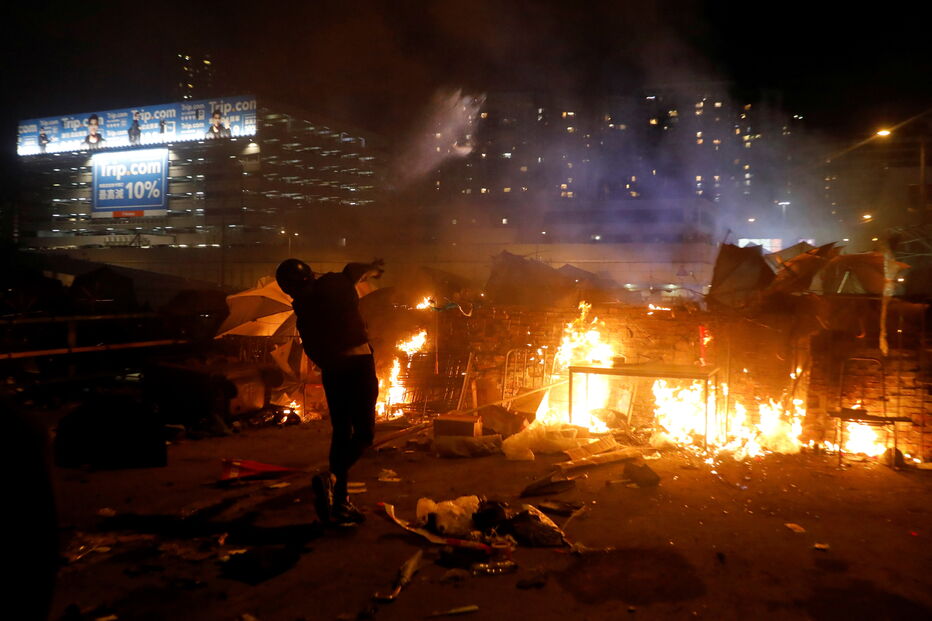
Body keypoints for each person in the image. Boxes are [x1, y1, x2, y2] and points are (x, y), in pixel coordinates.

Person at [276, 257, 384, 526]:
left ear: (288, 289)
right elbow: (353, 270)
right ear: (310, 274)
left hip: (334, 372)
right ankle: (332, 478)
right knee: (363, 435)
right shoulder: (334, 284)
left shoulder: (303, 314)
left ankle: (340, 502)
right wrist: (373, 268)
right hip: (359, 364)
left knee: (341, 433)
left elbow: (316, 354)